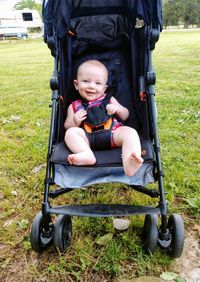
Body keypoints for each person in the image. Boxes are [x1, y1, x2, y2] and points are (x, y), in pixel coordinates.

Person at [64, 60, 143, 176]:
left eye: (98, 83)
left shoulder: (109, 99)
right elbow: (66, 126)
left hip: (113, 134)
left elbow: (126, 115)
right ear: (76, 84)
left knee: (130, 132)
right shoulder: (74, 106)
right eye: (85, 81)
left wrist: (117, 109)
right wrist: (74, 121)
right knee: (70, 133)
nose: (91, 86)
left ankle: (130, 161)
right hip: (87, 139)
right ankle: (86, 154)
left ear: (105, 88)